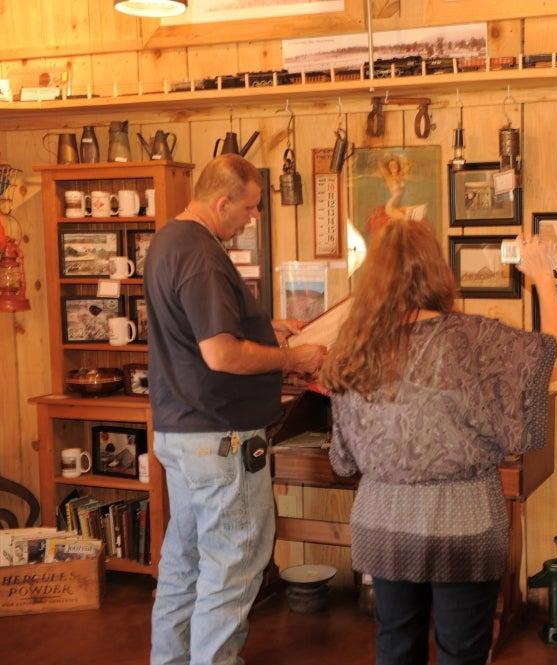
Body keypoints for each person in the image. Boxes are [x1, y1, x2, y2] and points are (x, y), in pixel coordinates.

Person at [320, 220, 557, 665]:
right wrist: (542, 278)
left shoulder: (354, 346)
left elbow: (343, 458)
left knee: (396, 645)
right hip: (464, 522)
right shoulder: (474, 339)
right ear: (437, 272)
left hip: (384, 521)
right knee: (462, 652)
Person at [145, 154, 326, 665]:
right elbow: (220, 353)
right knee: (232, 566)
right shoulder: (202, 254)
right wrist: (293, 357)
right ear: (222, 201)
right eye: (248, 209)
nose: (251, 219)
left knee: (184, 564)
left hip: (182, 434)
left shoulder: (168, 241)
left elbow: (198, 331)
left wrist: (268, 329)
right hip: (220, 439)